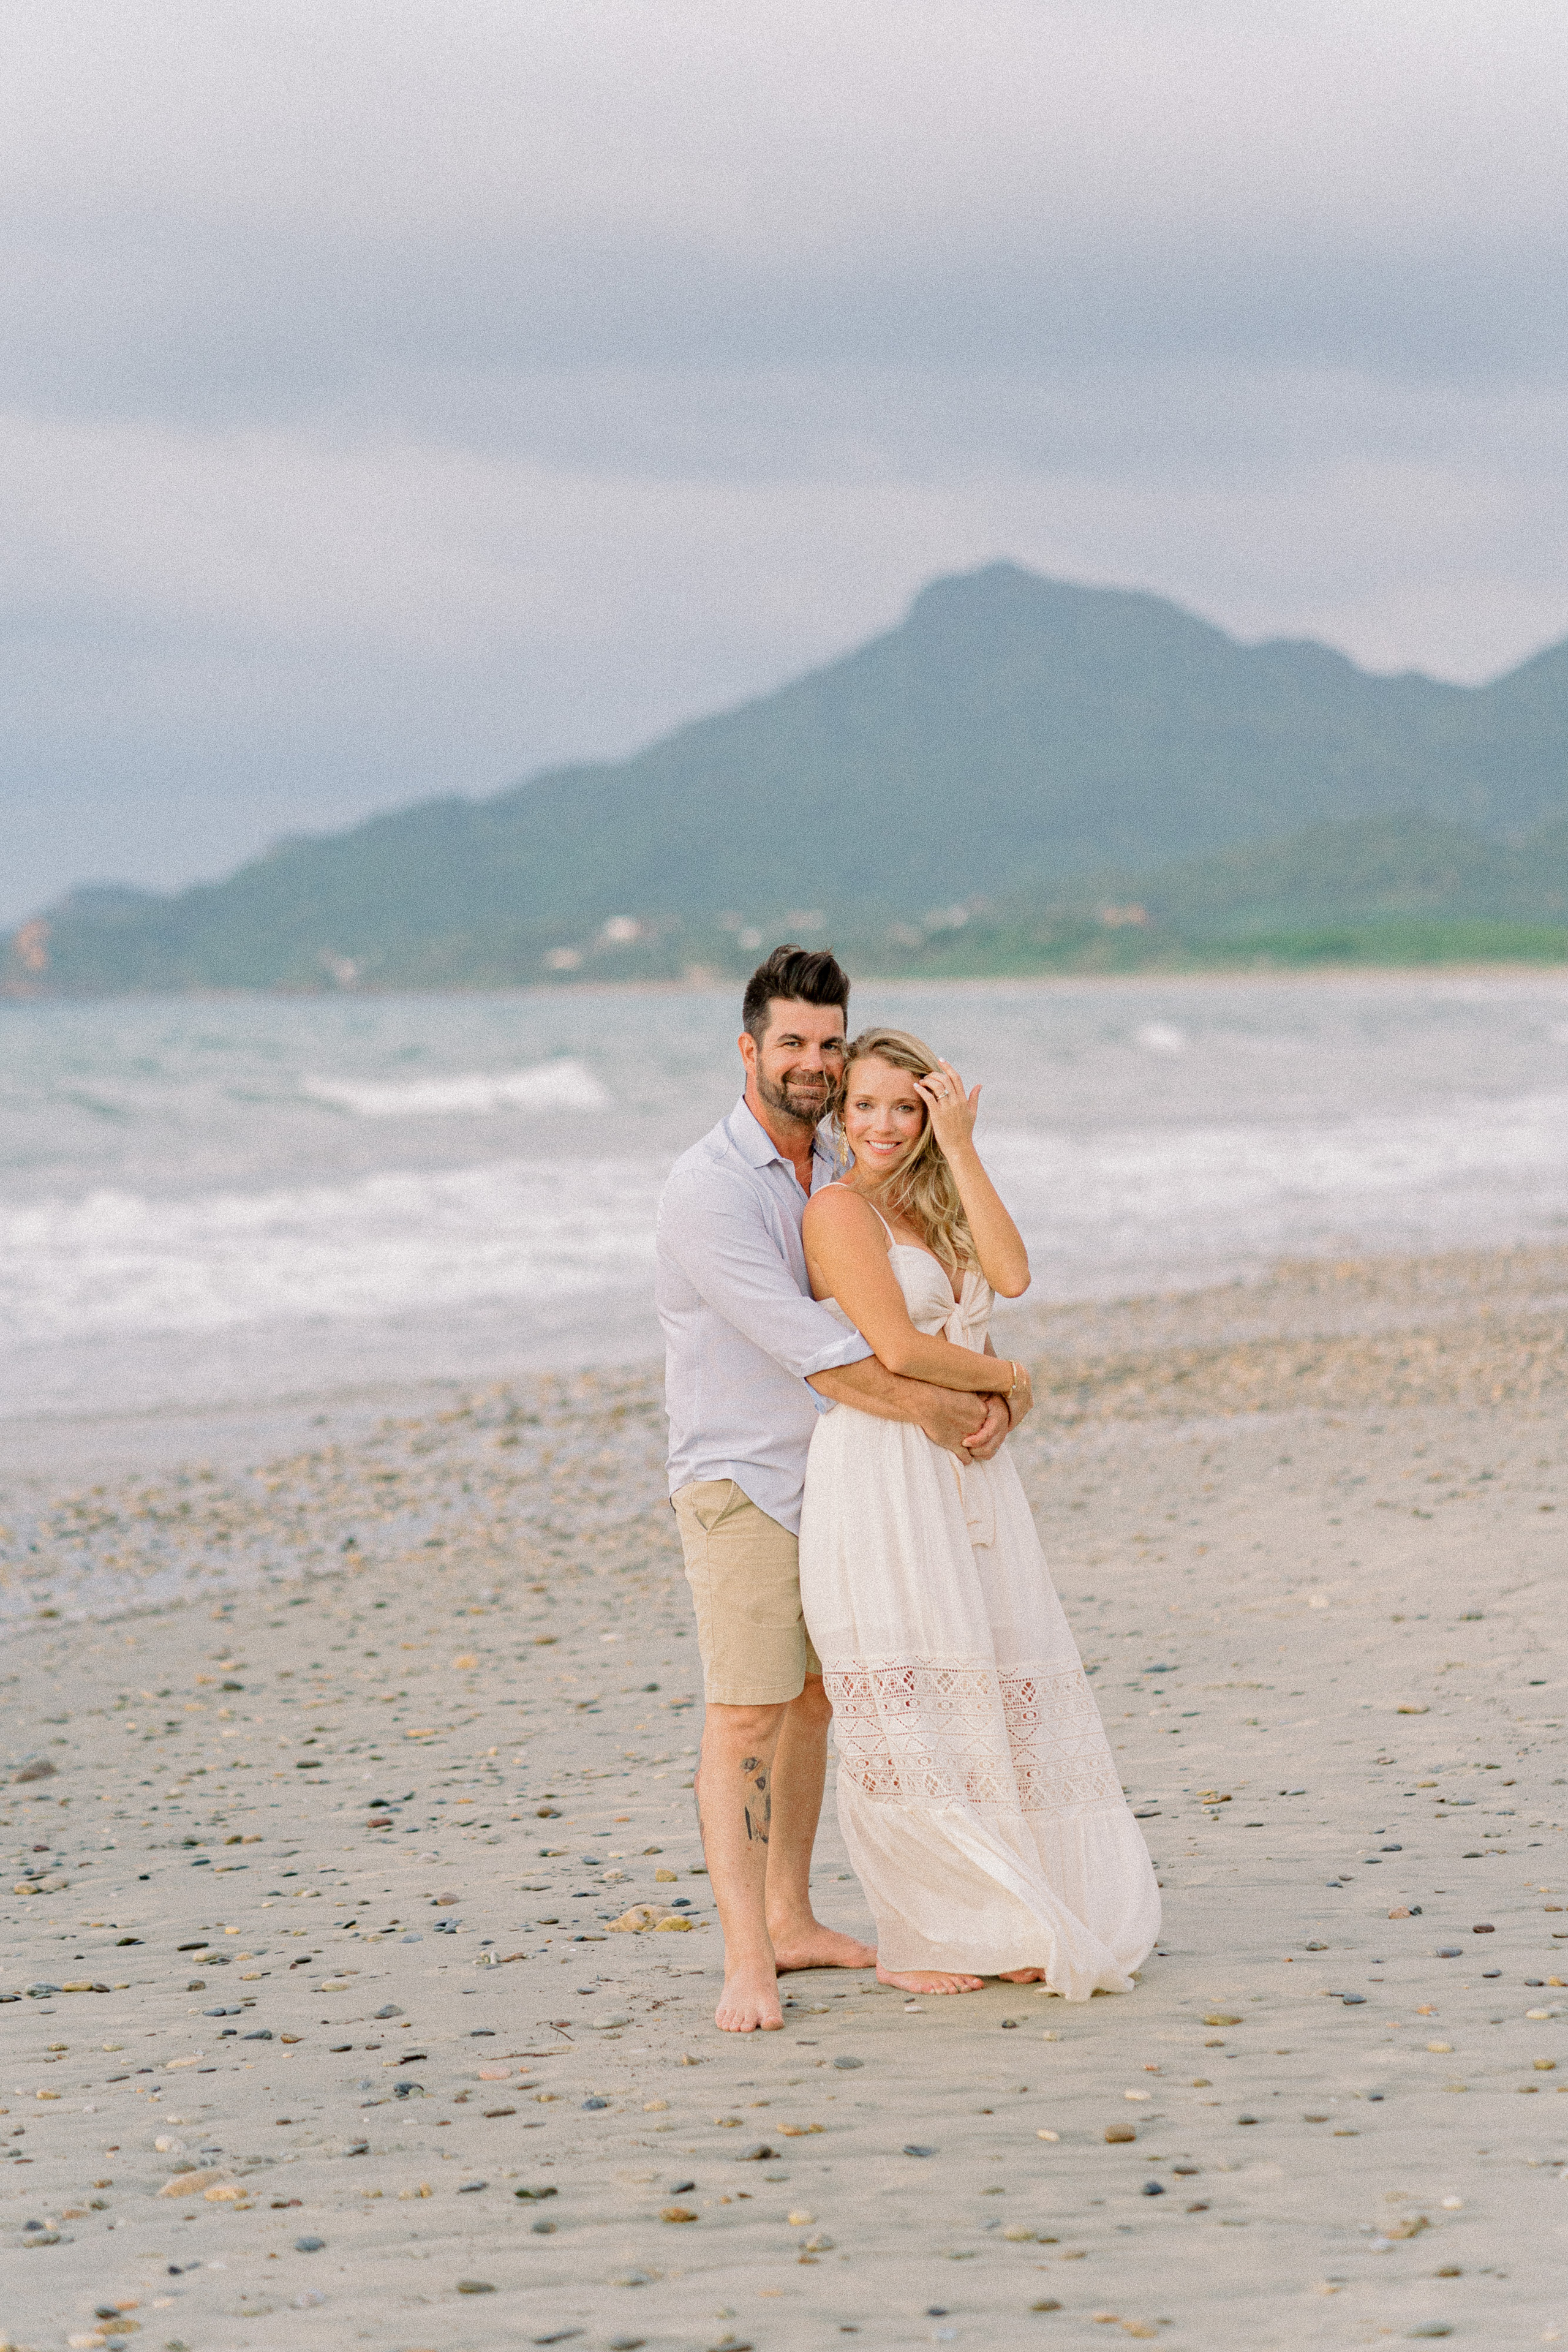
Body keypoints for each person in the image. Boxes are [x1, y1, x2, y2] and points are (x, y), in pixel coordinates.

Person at [656, 947, 1017, 2033]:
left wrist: (985, 1391)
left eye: (828, 1042)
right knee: (747, 1714)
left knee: (820, 1701)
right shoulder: (710, 1190)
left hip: (843, 1474)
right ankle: (745, 1962)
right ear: (747, 1050)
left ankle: (794, 1919)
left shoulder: (841, 1159)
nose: (812, 1062)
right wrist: (956, 1406)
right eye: (792, 1043)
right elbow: (819, 1350)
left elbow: (946, 1289)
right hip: (745, 1479)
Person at [798, 1026, 1160, 1998]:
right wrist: (1010, 1381)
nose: (884, 1125)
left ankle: (994, 1917)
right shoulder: (837, 1212)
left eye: (905, 1107)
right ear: (839, 1112)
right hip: (882, 1467)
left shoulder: (934, 1206)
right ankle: (916, 1937)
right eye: (865, 1106)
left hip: (969, 1470)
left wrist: (961, 1146)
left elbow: (1012, 1276)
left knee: (984, 1684)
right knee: (910, 1696)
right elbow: (900, 1349)